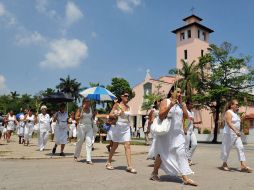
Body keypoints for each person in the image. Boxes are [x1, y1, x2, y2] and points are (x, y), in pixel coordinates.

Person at [150, 88, 197, 186]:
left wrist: (182, 105)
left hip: (177, 133)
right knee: (162, 154)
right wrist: (170, 105)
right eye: (178, 92)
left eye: (181, 92)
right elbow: (161, 116)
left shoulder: (180, 104)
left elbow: (186, 117)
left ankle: (185, 178)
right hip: (167, 133)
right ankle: (154, 173)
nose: (180, 94)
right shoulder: (165, 101)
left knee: (181, 153)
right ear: (171, 92)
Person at [106, 92, 137, 174]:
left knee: (127, 145)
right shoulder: (117, 105)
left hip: (126, 127)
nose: (127, 97)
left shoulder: (128, 107)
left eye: (128, 96)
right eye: (125, 96)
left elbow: (128, 116)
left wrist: (123, 113)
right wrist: (116, 114)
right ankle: (109, 162)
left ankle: (129, 166)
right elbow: (110, 115)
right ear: (121, 97)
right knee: (115, 145)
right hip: (118, 127)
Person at [220, 99, 252, 173]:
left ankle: (242, 165)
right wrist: (236, 131)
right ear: (231, 105)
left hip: (236, 134)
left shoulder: (236, 114)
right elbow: (229, 123)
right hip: (228, 134)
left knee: (240, 147)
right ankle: (224, 164)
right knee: (226, 149)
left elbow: (238, 122)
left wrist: (242, 118)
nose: (238, 106)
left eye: (238, 105)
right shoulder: (229, 112)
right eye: (236, 104)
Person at [74, 99, 95, 164]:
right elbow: (75, 117)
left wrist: (94, 115)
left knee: (89, 142)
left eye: (89, 101)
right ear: (84, 102)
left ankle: (88, 159)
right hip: (81, 127)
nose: (88, 103)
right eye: (87, 101)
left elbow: (92, 118)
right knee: (80, 142)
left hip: (89, 127)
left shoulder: (91, 109)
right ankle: (76, 155)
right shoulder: (80, 109)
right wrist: (80, 117)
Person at [185, 101, 202, 166]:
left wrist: (197, 123)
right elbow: (185, 121)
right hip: (187, 131)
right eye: (191, 104)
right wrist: (185, 129)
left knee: (194, 144)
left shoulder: (192, 112)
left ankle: (188, 158)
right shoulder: (186, 111)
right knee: (186, 146)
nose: (192, 105)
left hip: (191, 131)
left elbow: (191, 122)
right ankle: (186, 160)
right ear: (187, 105)